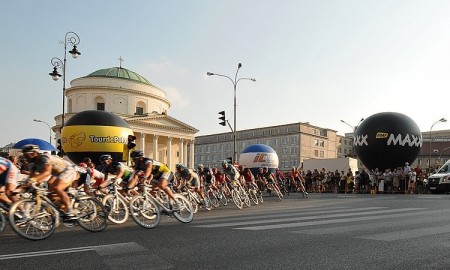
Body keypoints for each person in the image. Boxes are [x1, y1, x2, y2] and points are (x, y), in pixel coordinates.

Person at [22, 144, 80, 219]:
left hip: (68, 170)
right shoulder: (32, 164)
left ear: (33, 153)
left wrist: (32, 180)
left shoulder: (44, 158)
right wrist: (24, 186)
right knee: (49, 195)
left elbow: (47, 172)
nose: (25, 158)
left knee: (57, 188)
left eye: (26, 155)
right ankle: (63, 207)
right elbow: (34, 177)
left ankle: (70, 209)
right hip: (58, 173)